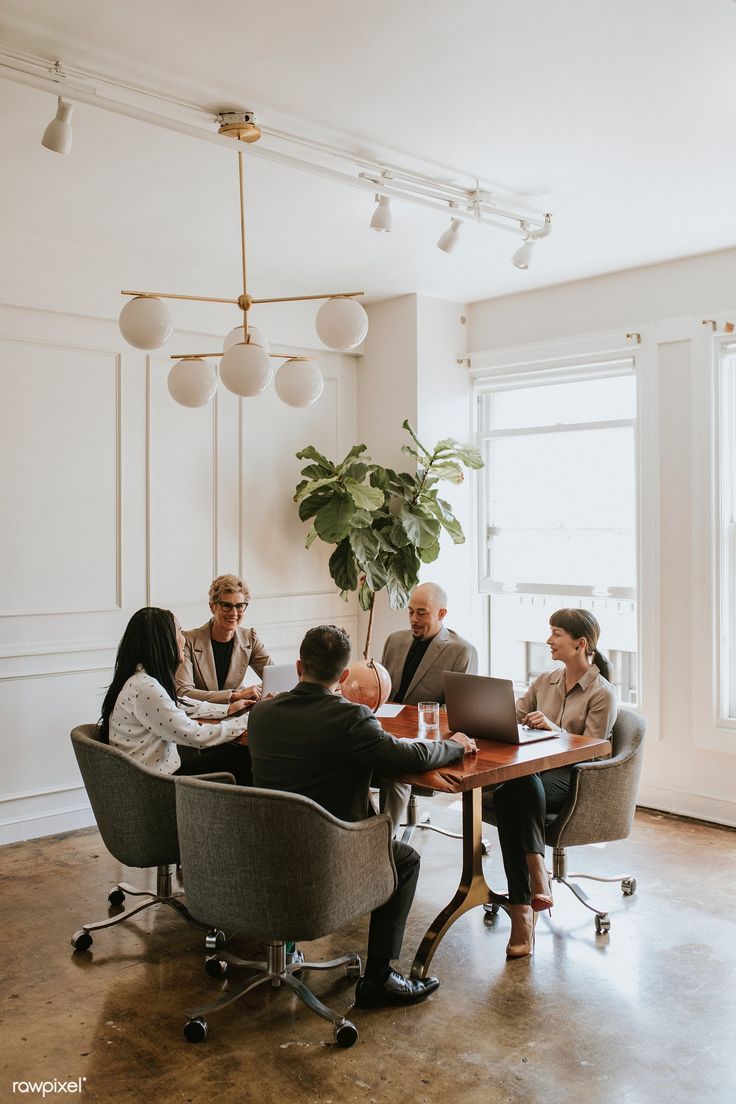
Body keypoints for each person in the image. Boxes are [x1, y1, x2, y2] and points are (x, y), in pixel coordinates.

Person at [247, 624, 478, 1009]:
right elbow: (410, 757)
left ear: (300, 665)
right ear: (342, 677)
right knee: (405, 859)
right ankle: (379, 978)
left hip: (265, 849)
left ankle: (286, 944)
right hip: (329, 854)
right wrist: (452, 746)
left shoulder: (263, 713)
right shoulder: (351, 719)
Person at [492, 608, 618, 958]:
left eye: (556, 633)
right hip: (532, 776)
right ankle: (535, 874)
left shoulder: (602, 694)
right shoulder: (543, 681)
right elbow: (509, 717)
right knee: (512, 788)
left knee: (511, 790)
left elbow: (592, 751)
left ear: (580, 644)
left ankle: (523, 910)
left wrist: (554, 730)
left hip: (574, 778)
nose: (549, 640)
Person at [100, 606, 253, 785]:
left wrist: (229, 708)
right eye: (179, 632)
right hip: (157, 785)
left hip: (149, 777)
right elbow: (196, 735)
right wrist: (246, 721)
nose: (184, 638)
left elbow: (181, 705)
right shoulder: (146, 688)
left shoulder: (140, 679)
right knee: (242, 757)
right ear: (164, 642)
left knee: (231, 756)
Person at [379, 581, 478, 828]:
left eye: (421, 613)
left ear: (441, 613)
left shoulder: (461, 651)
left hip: (428, 738)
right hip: (385, 730)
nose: (413, 619)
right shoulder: (394, 641)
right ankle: (361, 829)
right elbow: (383, 693)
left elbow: (460, 712)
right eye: (411, 611)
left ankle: (382, 842)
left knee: (395, 769)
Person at [176, 574, 272, 705]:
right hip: (202, 718)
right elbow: (183, 692)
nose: (234, 613)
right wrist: (235, 696)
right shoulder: (189, 641)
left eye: (239, 606)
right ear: (212, 606)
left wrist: (254, 691)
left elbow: (276, 679)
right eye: (227, 606)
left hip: (239, 714)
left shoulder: (250, 638)